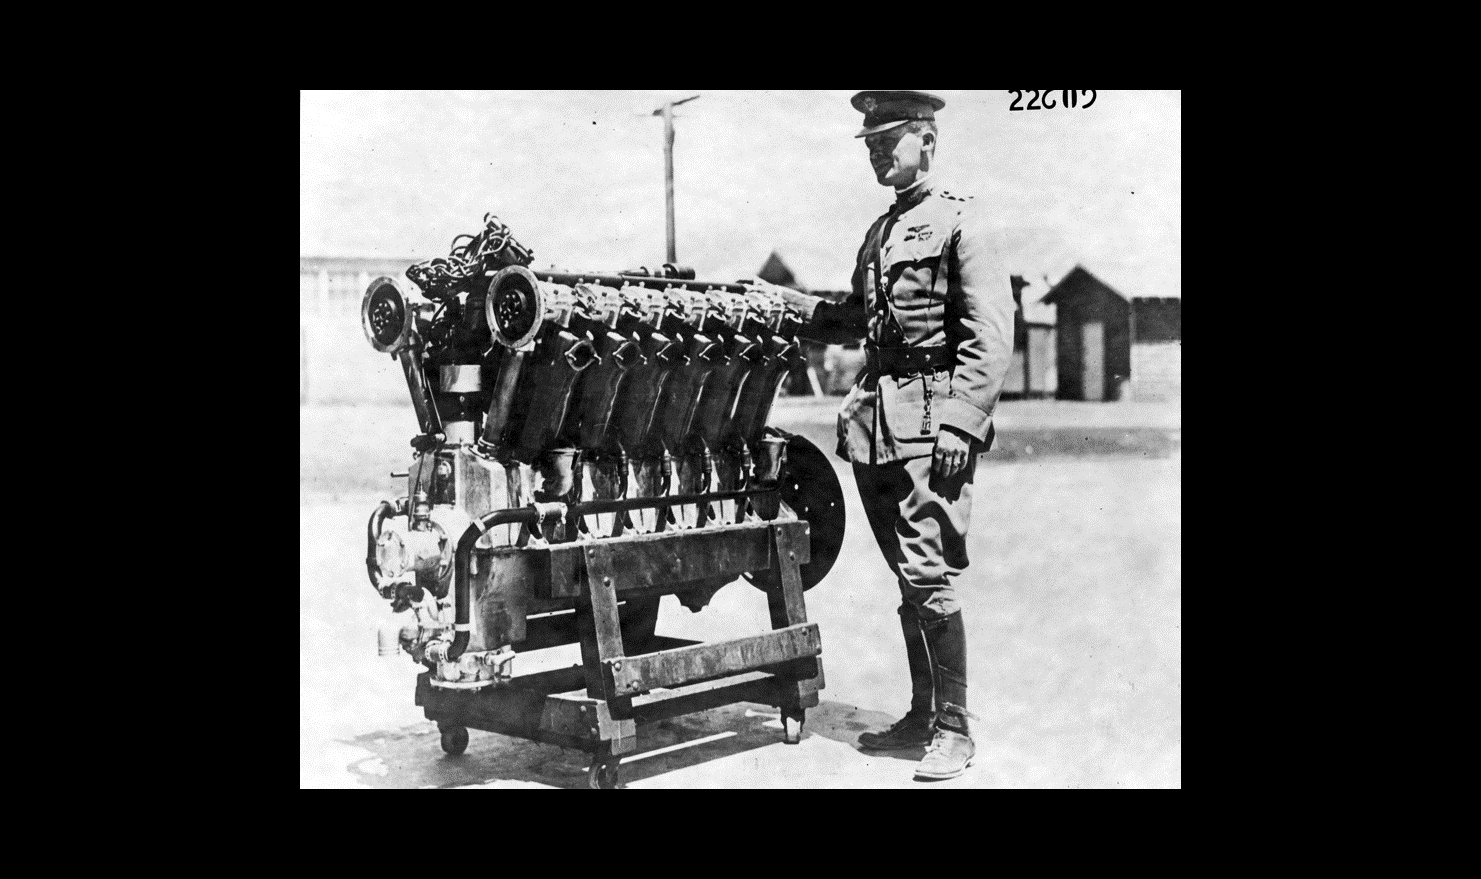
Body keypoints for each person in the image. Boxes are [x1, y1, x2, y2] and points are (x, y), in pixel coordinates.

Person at [772, 90, 1015, 780]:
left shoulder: (962, 222)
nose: (878, 152)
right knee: (906, 578)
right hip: (877, 427)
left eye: (890, 139)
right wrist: (784, 305)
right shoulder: (881, 233)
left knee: (929, 574)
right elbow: (854, 317)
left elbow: (989, 338)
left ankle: (954, 728)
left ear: (927, 139)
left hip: (933, 425)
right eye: (871, 143)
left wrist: (961, 423)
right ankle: (920, 714)